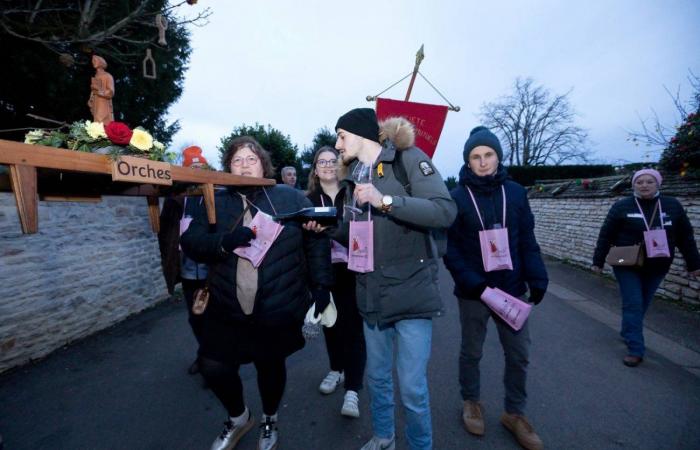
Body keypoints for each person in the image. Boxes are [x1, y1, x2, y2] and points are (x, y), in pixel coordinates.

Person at [180, 137, 333, 450]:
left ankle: (270, 418)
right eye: (237, 160)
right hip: (225, 304)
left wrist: (321, 287)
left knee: (270, 366)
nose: (244, 164)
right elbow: (191, 241)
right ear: (227, 167)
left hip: (276, 304)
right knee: (213, 366)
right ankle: (239, 417)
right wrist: (223, 242)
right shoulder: (213, 199)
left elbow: (315, 244)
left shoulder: (290, 197)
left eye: (251, 158)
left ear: (263, 163)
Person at [333, 108, 456, 450]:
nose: (337, 144)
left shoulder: (409, 159)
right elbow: (356, 233)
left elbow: (444, 211)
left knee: (413, 388)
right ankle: (384, 436)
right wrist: (326, 229)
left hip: (412, 291)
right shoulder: (353, 174)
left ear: (360, 134)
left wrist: (385, 200)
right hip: (370, 292)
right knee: (377, 378)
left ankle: (420, 446)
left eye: (342, 135)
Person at [443, 126, 548, 450]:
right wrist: (471, 282)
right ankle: (471, 401)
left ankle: (515, 414)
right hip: (475, 292)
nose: (483, 162)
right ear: (468, 161)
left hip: (512, 289)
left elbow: (526, 239)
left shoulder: (516, 193)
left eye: (488, 155)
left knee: (519, 355)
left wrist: (538, 276)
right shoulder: (457, 197)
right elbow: (450, 248)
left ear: (498, 157)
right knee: (471, 351)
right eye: (476, 157)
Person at [592, 168, 700, 367]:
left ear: (658, 184)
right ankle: (636, 349)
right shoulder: (622, 206)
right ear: (633, 185)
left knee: (641, 303)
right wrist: (598, 261)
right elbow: (606, 235)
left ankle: (628, 331)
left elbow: (685, 237)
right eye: (639, 182)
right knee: (633, 303)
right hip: (627, 263)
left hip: (658, 264)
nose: (644, 185)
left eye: (649, 181)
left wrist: (694, 264)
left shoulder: (672, 205)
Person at [305, 146, 366, 418]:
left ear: (341, 165)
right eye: (322, 162)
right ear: (315, 169)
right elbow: (305, 244)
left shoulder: (356, 194)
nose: (328, 165)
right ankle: (336, 369)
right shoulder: (307, 200)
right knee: (330, 324)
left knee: (353, 330)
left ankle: (352, 390)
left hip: (355, 270)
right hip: (323, 272)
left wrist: (335, 231)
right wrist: (317, 284)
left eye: (333, 160)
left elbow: (365, 233)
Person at [157, 146, 211, 375]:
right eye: (192, 168)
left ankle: (213, 359)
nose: (197, 173)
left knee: (215, 317)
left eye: (201, 168)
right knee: (196, 317)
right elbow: (165, 235)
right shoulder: (176, 201)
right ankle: (205, 354)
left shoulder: (214, 197)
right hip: (189, 271)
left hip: (213, 271)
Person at [87, 55, 114, 125]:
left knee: (101, 122)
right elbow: (94, 91)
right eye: (92, 61)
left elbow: (110, 92)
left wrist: (99, 91)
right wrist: (91, 97)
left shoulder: (108, 76)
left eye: (95, 61)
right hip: (96, 102)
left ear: (101, 63)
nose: (93, 63)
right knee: (96, 122)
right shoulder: (96, 76)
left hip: (103, 103)